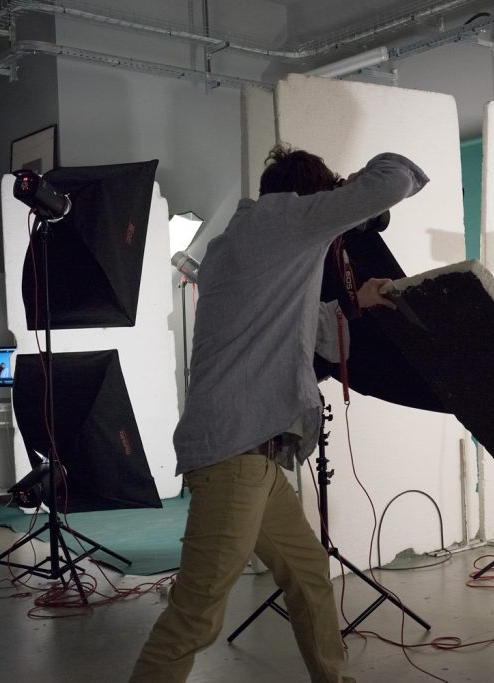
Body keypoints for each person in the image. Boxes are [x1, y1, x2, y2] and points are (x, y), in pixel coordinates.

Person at [130, 145, 428, 683]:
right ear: (309, 197)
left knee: (309, 575)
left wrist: (355, 301)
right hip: (234, 457)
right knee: (196, 616)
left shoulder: (238, 243)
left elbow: (303, 329)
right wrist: (355, 183)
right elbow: (395, 178)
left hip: (257, 456)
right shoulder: (289, 219)